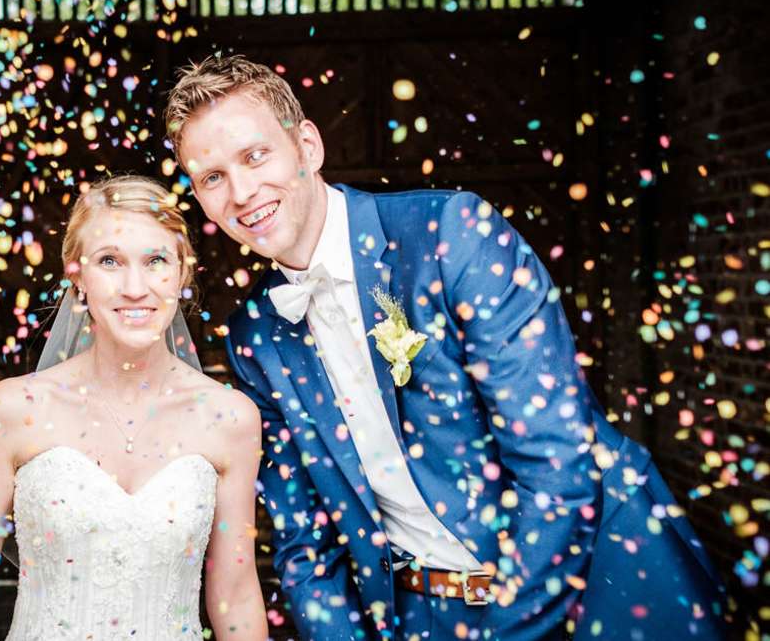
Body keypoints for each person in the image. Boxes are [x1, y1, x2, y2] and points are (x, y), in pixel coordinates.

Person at [164, 55, 728, 640]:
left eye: (255, 156)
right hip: (427, 613)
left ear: (307, 146)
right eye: (212, 177)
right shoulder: (257, 337)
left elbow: (557, 462)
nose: (242, 192)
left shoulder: (451, 233)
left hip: (606, 584)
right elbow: (306, 545)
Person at [0, 175, 268, 640]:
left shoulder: (229, 419)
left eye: (155, 261)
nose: (135, 287)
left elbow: (237, 594)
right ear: (77, 277)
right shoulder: (13, 409)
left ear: (182, 273)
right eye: (109, 261)